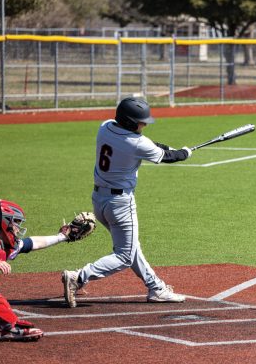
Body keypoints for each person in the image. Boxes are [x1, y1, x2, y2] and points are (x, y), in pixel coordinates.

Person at [62, 97, 194, 308]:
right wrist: (184, 153)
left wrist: (173, 148)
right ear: (131, 122)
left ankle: (156, 288)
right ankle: (78, 277)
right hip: (120, 204)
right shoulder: (136, 143)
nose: (143, 125)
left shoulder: (105, 127)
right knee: (124, 255)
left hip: (99, 200)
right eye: (141, 122)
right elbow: (167, 157)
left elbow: (152, 145)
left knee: (131, 249)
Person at [0, 198, 74, 341]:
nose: (17, 228)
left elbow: (32, 243)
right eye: (15, 223)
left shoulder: (4, 245)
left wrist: (61, 237)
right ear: (3, 222)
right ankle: (10, 327)